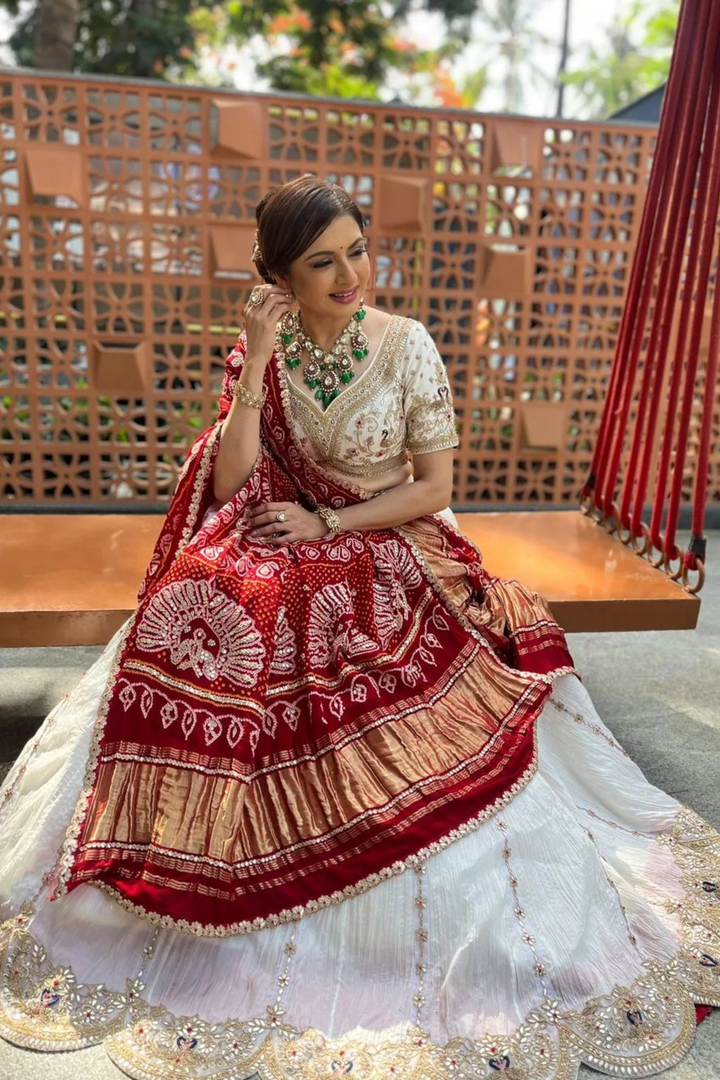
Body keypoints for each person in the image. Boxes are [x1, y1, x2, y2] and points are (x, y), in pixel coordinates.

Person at [0, 176, 718, 1079]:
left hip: (389, 531)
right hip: (285, 523)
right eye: (322, 262)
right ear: (278, 279)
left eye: (359, 249)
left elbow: (433, 488)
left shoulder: (407, 345)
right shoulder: (264, 345)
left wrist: (330, 526)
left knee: (348, 644)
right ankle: (180, 834)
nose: (351, 274)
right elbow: (229, 487)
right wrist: (257, 362)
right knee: (204, 610)